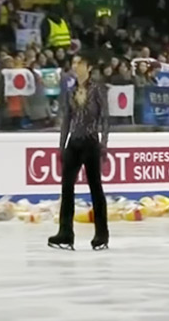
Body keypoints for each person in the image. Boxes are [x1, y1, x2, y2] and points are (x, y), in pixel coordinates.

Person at [49, 55, 109, 251]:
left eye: (80, 63)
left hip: (91, 142)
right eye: (74, 64)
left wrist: (104, 144)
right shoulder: (70, 90)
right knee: (66, 188)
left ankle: (101, 234)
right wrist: (61, 145)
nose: (76, 67)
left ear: (89, 67)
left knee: (95, 189)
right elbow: (66, 119)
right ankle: (65, 233)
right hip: (73, 143)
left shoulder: (98, 89)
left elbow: (105, 119)